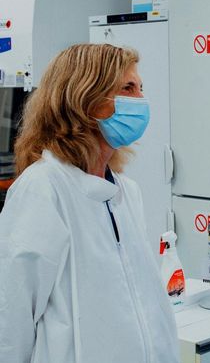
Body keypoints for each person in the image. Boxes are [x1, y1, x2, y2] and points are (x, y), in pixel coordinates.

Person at [0, 44, 178, 363]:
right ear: (86, 99)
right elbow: (10, 319)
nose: (141, 100)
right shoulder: (44, 189)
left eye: (140, 88)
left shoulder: (125, 192)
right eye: (128, 88)